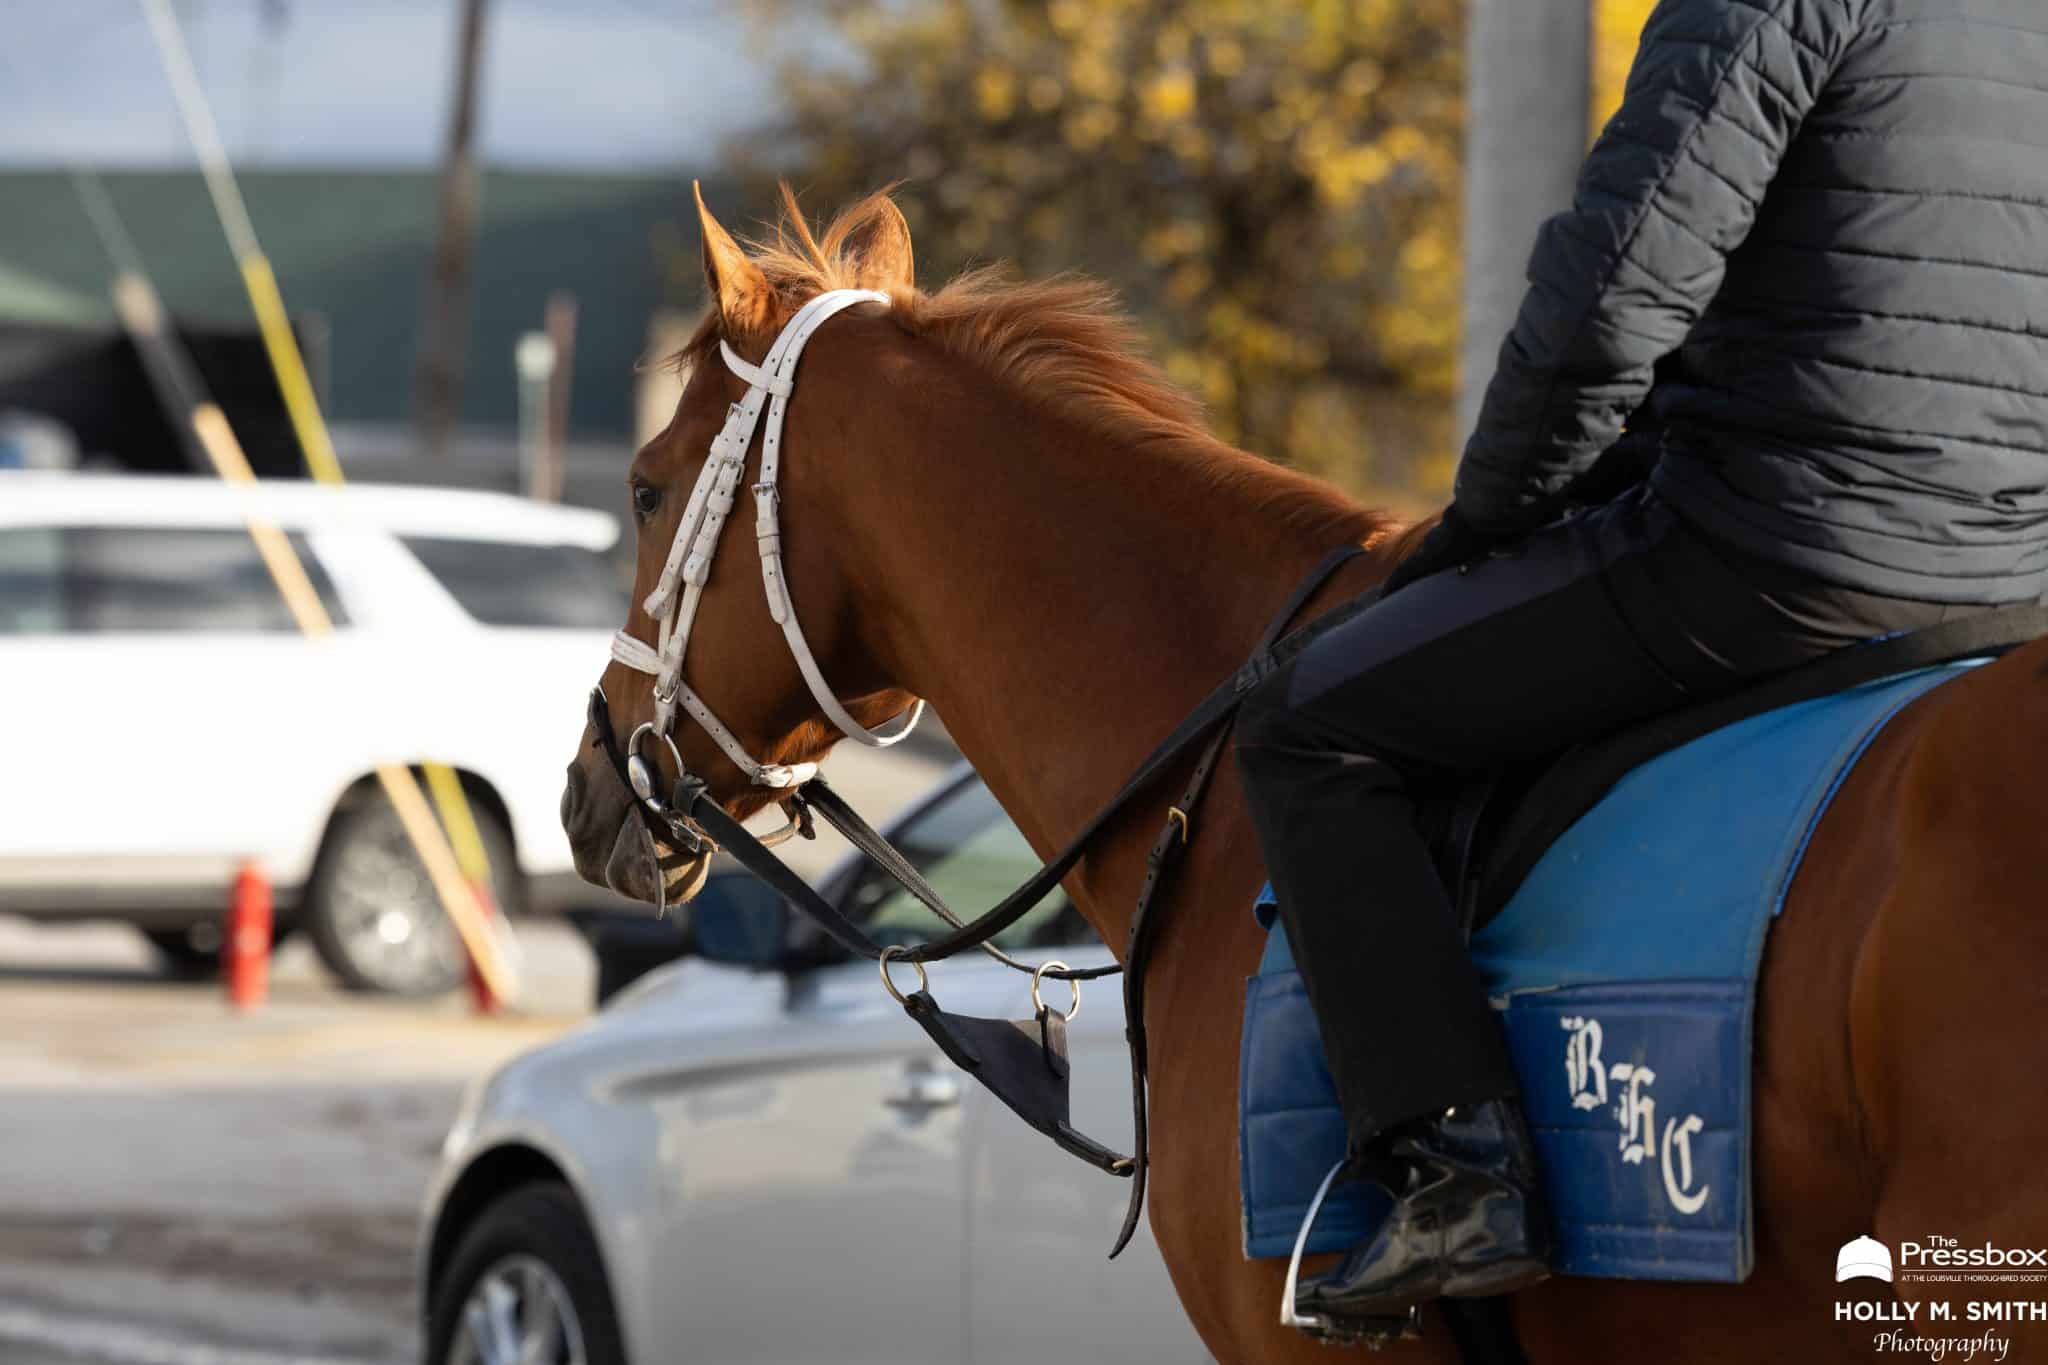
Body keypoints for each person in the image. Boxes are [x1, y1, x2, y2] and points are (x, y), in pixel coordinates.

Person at [1236, 0, 2048, 1328]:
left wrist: (1483, 526)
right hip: (2009, 592)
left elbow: (1608, 301)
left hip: (1777, 558)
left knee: (1309, 721)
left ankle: (1462, 1169)